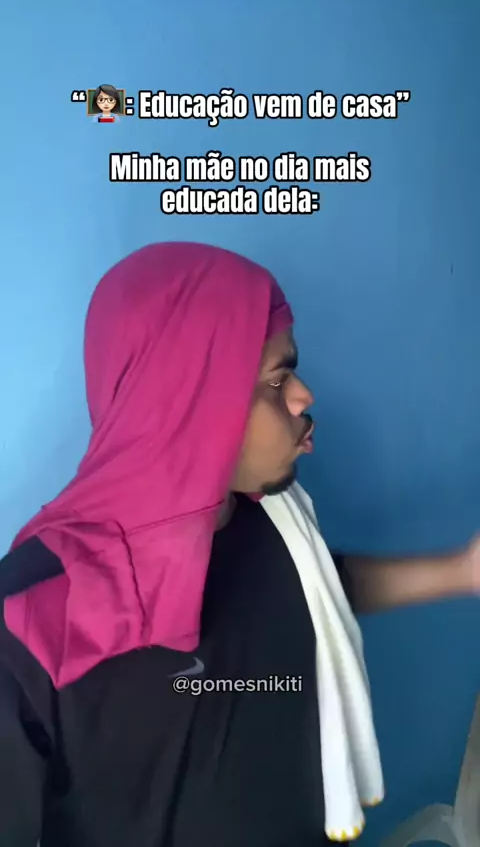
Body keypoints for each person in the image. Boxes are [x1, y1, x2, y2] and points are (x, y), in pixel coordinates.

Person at [0, 242, 478, 847]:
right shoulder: (27, 620)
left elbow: (321, 592)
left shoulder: (270, 524)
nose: (303, 395)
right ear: (188, 401)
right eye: (277, 380)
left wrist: (464, 570)